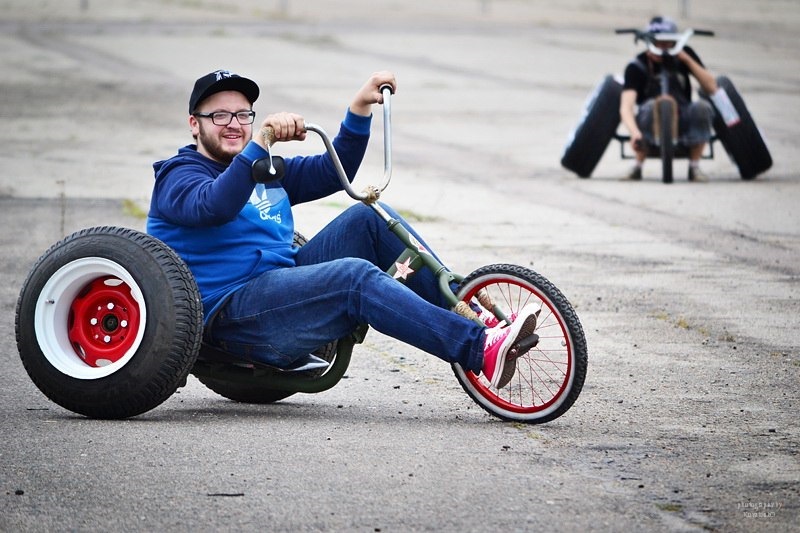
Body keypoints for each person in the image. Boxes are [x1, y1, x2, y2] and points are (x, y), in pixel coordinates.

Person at [146, 69, 539, 390]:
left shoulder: (263, 170)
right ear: (194, 125)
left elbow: (335, 171)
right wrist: (257, 146)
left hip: (280, 287)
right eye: (220, 116)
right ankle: (479, 350)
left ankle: (472, 316)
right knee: (354, 278)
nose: (234, 124)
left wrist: (359, 108)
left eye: (243, 115)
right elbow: (215, 205)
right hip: (232, 319)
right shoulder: (177, 176)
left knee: (368, 217)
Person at [619, 16, 718, 182]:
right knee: (650, 106)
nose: (663, 47)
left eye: (668, 42)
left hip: (683, 114)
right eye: (659, 42)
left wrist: (685, 59)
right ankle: (637, 166)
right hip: (650, 119)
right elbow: (626, 107)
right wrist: (634, 133)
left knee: (702, 107)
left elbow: (711, 87)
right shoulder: (637, 66)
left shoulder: (684, 57)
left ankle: (694, 167)